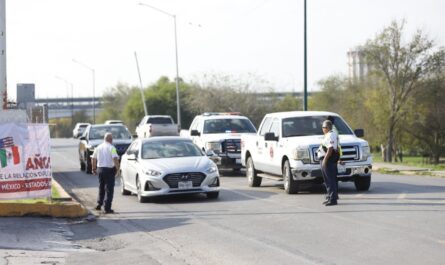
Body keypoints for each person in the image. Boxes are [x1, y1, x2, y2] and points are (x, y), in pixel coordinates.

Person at [91, 132, 120, 214]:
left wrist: (93, 169)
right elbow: (115, 158)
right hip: (109, 170)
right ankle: (107, 208)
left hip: (100, 169)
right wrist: (118, 169)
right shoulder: (112, 147)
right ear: (110, 139)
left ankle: (99, 204)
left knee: (101, 187)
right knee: (109, 189)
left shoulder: (98, 147)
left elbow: (93, 158)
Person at [317, 120, 339, 206]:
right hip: (328, 158)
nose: (322, 129)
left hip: (328, 159)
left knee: (330, 180)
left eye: (323, 127)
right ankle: (330, 197)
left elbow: (330, 149)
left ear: (326, 128)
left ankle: (333, 199)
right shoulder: (329, 134)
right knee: (328, 180)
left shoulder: (330, 135)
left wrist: (325, 161)